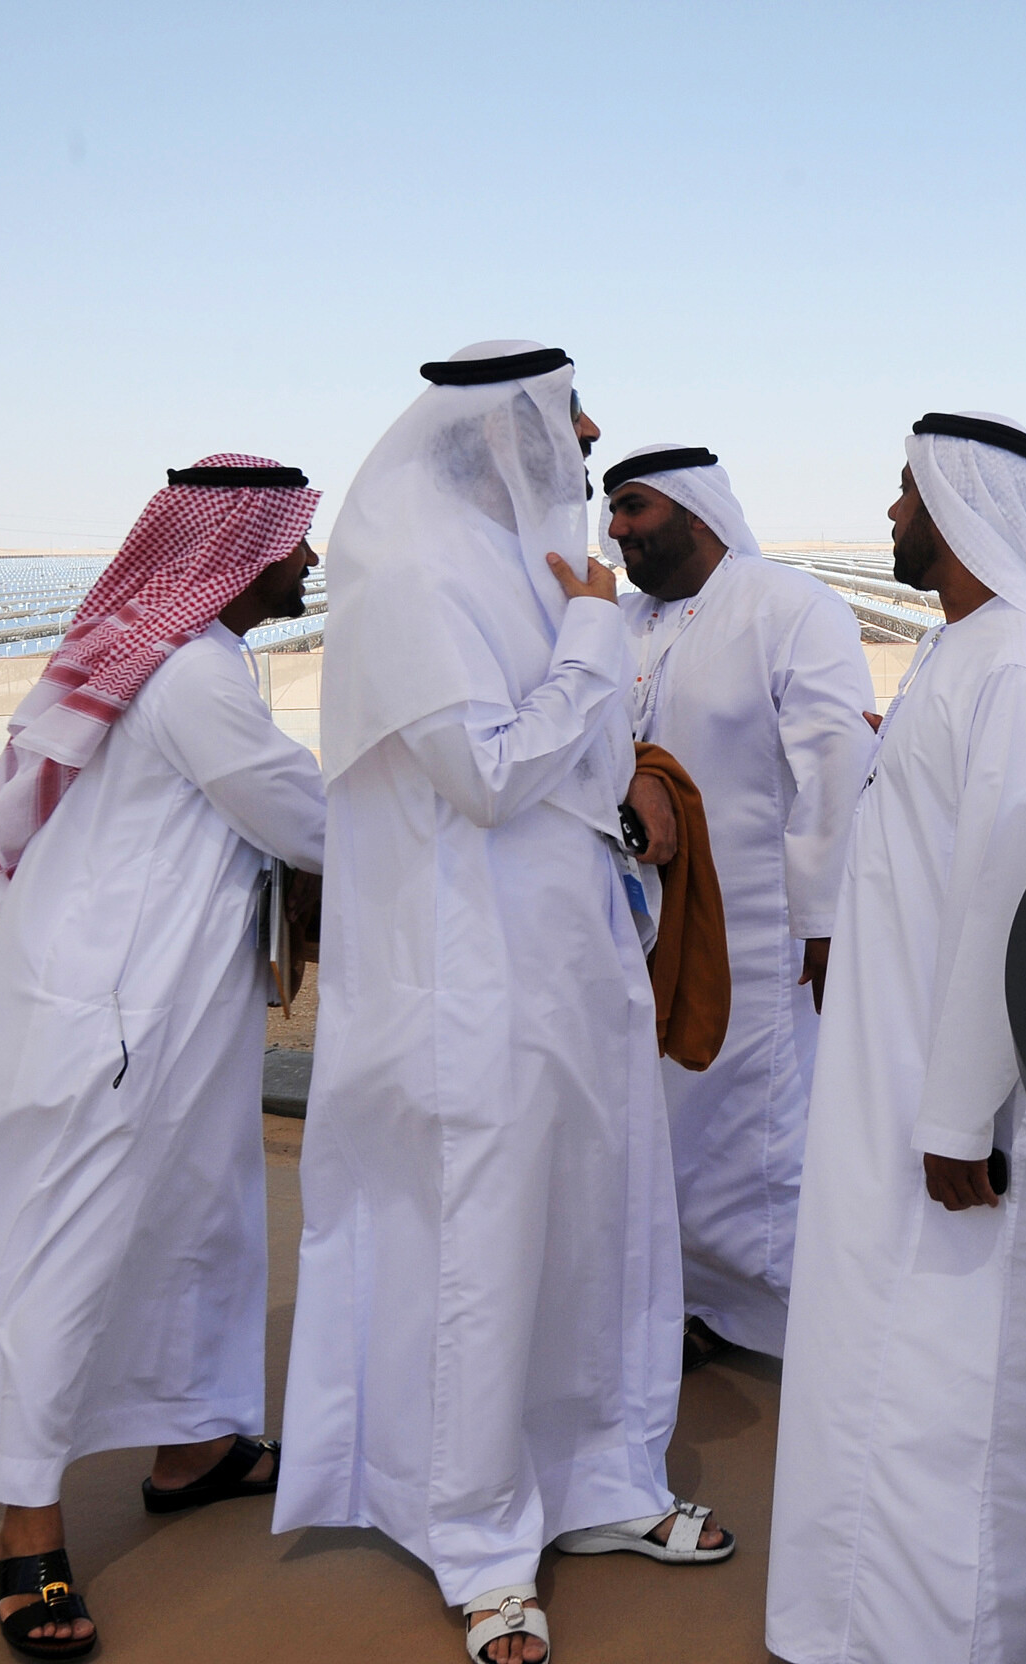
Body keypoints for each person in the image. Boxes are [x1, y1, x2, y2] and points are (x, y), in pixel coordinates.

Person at [275, 343, 728, 1664]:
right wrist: (593, 633)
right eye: (565, 415)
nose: (588, 434)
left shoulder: (522, 560)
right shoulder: (411, 569)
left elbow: (578, 756)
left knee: (594, 1229)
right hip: (470, 984)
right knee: (480, 1254)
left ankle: (601, 1483)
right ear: (493, 434)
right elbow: (484, 774)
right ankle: (479, 1546)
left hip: (569, 967)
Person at [0, 455, 328, 1661]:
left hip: (166, 1009)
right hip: (119, 1016)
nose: (309, 558)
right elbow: (302, 816)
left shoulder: (196, 656)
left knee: (199, 1216)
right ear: (238, 553)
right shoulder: (194, 675)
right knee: (73, 1250)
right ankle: (23, 1526)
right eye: (296, 538)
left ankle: (196, 1442)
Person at [766, 414, 1026, 1664]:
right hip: (896, 1071)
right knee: (893, 1356)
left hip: (961, 1103)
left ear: (964, 506)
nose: (891, 515)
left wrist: (960, 1111)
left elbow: (1010, 902)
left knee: (957, 1381)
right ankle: (870, 1620)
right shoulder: (966, 647)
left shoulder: (1020, 666)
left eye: (906, 494)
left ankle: (967, 1633)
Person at [598, 443, 876, 1366]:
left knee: (760, 1143)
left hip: (763, 935)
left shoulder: (788, 606)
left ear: (695, 511)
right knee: (661, 1135)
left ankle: (805, 1330)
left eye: (634, 507)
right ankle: (691, 1304)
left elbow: (836, 763)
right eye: (612, 511)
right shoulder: (615, 623)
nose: (617, 529)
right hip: (637, 932)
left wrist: (824, 918)